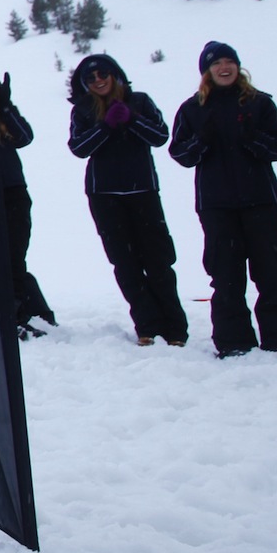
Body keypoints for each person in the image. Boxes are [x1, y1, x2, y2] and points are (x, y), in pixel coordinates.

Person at [169, 43, 277, 360]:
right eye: (217, 63)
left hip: (262, 202)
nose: (224, 67)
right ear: (207, 71)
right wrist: (202, 140)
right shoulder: (192, 109)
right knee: (226, 277)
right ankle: (234, 344)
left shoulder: (260, 104)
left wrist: (252, 138)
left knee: (273, 275)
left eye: (230, 61)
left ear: (239, 67)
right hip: (217, 207)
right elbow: (180, 154)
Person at [66, 53, 187, 347]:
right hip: (104, 195)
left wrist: (131, 119)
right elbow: (79, 148)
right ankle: (147, 325)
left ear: (115, 75)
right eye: (91, 79)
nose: (98, 81)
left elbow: (159, 136)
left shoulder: (140, 101)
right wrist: (105, 126)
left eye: (103, 75)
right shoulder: (82, 110)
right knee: (125, 263)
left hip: (142, 191)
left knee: (159, 260)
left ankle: (175, 329)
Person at [0, 67, 56, 338]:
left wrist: (4, 105)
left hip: (11, 190)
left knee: (13, 257)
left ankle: (25, 315)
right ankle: (18, 313)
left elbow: (24, 137)